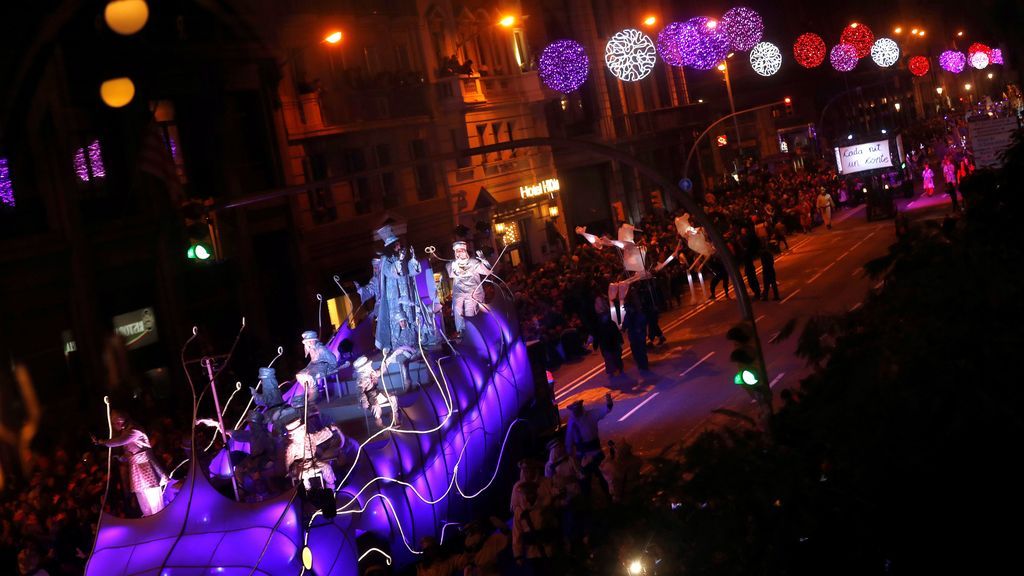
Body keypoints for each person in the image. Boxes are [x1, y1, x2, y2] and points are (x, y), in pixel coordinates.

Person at [92, 411, 167, 516]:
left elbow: (120, 441)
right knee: (143, 501)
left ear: (119, 422)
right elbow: (131, 451)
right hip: (137, 469)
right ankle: (151, 521)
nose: (113, 427)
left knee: (153, 499)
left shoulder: (134, 430)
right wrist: (123, 458)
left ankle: (160, 520)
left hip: (146, 466)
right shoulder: (126, 431)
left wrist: (103, 442)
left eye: (114, 424)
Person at [565, 393, 613, 499]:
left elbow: (605, 410)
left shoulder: (591, 415)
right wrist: (570, 455)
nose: (576, 412)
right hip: (582, 455)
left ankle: (610, 496)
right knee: (585, 480)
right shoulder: (572, 422)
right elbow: (569, 439)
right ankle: (587, 503)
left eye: (578, 409)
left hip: (595, 452)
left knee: (603, 475)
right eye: (574, 410)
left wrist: (609, 402)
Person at [446, 240, 492, 334]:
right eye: (458, 251)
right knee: (458, 310)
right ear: (455, 252)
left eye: (462, 250)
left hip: (473, 292)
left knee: (470, 312)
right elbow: (451, 273)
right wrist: (457, 265)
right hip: (459, 293)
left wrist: (484, 261)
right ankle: (461, 332)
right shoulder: (451, 264)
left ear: (465, 251)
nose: (460, 252)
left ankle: (473, 331)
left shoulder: (473, 262)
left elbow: (488, 271)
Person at [354, 356, 398, 428]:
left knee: (393, 398)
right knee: (376, 407)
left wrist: (387, 361)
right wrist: (364, 401)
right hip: (370, 396)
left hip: (377, 392)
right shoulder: (361, 380)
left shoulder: (372, 373)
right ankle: (380, 425)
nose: (370, 366)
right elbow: (360, 391)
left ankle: (395, 417)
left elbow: (380, 371)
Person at [593, 295, 624, 376]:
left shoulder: (603, 323)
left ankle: (616, 369)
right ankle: (616, 368)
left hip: (608, 342)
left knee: (612, 356)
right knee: (612, 356)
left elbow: (597, 333)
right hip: (609, 341)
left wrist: (595, 344)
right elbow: (598, 333)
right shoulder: (605, 323)